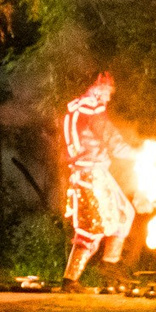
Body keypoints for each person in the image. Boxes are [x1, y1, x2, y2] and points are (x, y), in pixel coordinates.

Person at [61, 71, 135, 286]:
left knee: (123, 214)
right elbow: (113, 141)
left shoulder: (74, 110)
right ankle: (72, 280)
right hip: (90, 174)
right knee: (90, 229)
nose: (109, 97)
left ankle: (109, 270)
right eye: (107, 91)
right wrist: (139, 154)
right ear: (95, 87)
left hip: (93, 172)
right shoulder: (90, 110)